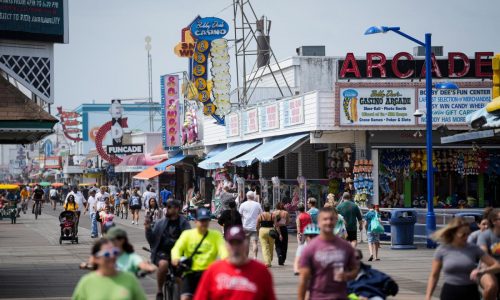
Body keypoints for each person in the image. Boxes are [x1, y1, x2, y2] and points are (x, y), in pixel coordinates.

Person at [193, 225, 277, 300]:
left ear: (246, 244)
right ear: (226, 246)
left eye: (239, 243)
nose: (235, 248)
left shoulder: (261, 272)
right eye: (232, 243)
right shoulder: (213, 270)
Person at [426, 217, 500, 300]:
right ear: (453, 233)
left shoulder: (473, 248)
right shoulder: (442, 250)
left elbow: (497, 265)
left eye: (468, 234)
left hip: (470, 292)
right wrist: (428, 296)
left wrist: (482, 271)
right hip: (450, 292)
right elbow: (434, 275)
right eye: (463, 235)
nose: (466, 237)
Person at [298, 207, 360, 300]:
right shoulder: (310, 249)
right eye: (325, 219)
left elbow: (355, 270)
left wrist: (347, 275)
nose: (328, 222)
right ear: (318, 222)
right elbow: (303, 280)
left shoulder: (346, 247)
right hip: (317, 297)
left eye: (331, 219)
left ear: (336, 221)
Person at [171, 208, 228, 300]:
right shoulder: (187, 234)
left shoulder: (216, 235)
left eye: (206, 220)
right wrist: (175, 258)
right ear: (195, 221)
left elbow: (223, 250)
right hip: (190, 272)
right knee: (185, 298)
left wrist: (226, 261)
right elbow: (177, 248)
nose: (204, 223)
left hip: (208, 273)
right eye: (201, 220)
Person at [72, 238, 147, 300]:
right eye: (107, 254)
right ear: (96, 258)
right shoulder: (86, 282)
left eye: (115, 252)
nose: (112, 257)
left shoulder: (130, 279)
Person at [145, 199, 190, 300]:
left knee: (181, 277)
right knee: (163, 264)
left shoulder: (184, 223)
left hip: (180, 253)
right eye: (167, 207)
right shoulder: (160, 223)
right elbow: (152, 240)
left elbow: (190, 237)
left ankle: (182, 294)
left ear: (177, 209)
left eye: (170, 207)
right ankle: (160, 290)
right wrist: (147, 229)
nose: (167, 209)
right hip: (162, 252)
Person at [477, 208, 500, 300]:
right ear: (494, 221)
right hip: (487, 270)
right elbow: (484, 258)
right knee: (491, 286)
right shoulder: (485, 236)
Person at [238, 191, 262, 260]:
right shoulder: (257, 204)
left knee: (246, 243)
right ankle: (255, 257)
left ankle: (246, 257)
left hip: (245, 226)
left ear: (247, 196)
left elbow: (240, 214)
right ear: (253, 196)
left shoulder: (243, 204)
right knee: (255, 242)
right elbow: (261, 214)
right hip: (255, 226)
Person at [256, 202, 281, 267]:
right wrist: (280, 234)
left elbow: (257, 225)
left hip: (262, 230)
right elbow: (276, 225)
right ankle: (270, 259)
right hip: (271, 231)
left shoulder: (260, 215)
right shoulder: (273, 215)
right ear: (269, 208)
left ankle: (267, 261)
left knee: (264, 247)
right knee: (271, 246)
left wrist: (257, 232)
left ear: (263, 208)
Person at [274, 202, 290, 266]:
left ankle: (279, 254)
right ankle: (283, 258)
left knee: (277, 244)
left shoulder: (274, 213)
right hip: (284, 229)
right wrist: (283, 223)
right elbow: (288, 222)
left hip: (277, 229)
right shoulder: (286, 213)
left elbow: (274, 222)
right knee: (284, 244)